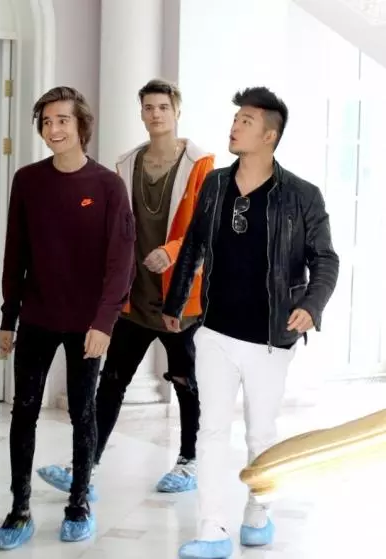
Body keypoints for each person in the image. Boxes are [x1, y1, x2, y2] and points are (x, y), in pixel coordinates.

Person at [162, 87, 339, 559]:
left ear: (269, 135)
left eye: (246, 120)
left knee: (261, 432)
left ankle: (258, 512)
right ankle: (212, 530)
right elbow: (193, 245)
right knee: (211, 431)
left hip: (270, 338)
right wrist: (176, 303)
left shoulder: (302, 195)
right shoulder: (215, 184)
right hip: (215, 331)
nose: (235, 126)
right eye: (236, 118)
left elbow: (325, 259)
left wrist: (312, 306)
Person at [37, 78, 214, 498]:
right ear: (141, 113)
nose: (155, 114)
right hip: (134, 297)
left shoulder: (201, 164)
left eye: (163, 107)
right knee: (112, 381)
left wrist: (171, 252)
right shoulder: (127, 164)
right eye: (148, 107)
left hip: (180, 298)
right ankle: (87, 465)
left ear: (176, 112)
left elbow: (206, 229)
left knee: (185, 381)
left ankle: (189, 461)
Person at [0, 86, 135, 550]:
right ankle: (19, 508)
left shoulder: (108, 186)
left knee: (82, 410)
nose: (53, 129)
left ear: (81, 125)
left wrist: (104, 322)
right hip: (37, 316)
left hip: (87, 324)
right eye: (47, 121)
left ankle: (79, 502)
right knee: (24, 409)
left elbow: (121, 260)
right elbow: (15, 253)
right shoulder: (27, 181)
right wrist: (8, 317)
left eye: (62, 120)